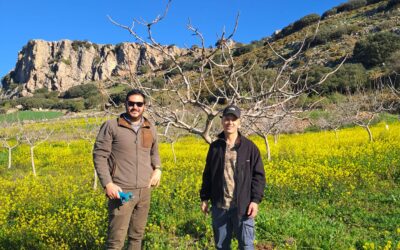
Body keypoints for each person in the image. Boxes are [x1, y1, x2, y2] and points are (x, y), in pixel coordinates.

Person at [93, 89, 162, 250]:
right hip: (121, 191)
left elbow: (154, 152)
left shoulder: (149, 127)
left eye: (139, 104)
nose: (135, 107)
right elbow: (99, 156)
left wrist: (158, 168)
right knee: (115, 241)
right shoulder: (112, 126)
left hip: (144, 191)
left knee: (136, 237)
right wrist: (107, 184)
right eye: (131, 103)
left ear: (144, 106)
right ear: (125, 104)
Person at [200, 104, 266, 250]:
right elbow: (208, 174)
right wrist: (204, 197)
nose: (230, 122)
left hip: (243, 207)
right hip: (220, 206)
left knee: (246, 246)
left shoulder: (249, 147)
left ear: (239, 122)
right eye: (226, 119)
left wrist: (255, 201)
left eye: (233, 119)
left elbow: (259, 176)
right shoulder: (215, 147)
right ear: (222, 121)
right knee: (222, 246)